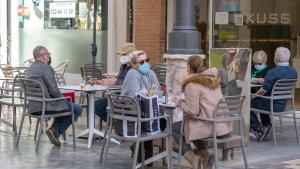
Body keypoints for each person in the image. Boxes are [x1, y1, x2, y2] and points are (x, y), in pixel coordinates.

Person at [172, 55, 233, 169]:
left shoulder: (192, 84)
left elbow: (192, 111)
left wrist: (179, 102)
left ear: (188, 66)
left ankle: (194, 159)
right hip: (222, 125)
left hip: (209, 125)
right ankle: (206, 156)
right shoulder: (213, 80)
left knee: (175, 128)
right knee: (191, 125)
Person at [26, 46, 82, 146]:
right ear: (43, 56)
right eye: (48, 54)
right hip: (45, 106)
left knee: (63, 105)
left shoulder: (30, 68)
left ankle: (54, 130)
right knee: (76, 108)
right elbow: (54, 90)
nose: (49, 56)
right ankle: (55, 130)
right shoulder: (46, 67)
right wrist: (64, 98)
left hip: (33, 106)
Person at [250, 47, 297, 141]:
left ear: (276, 58)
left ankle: (258, 128)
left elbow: (263, 90)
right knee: (260, 100)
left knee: (246, 103)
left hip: (271, 104)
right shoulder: (294, 72)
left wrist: (252, 97)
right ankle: (266, 125)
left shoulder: (272, 72)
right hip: (283, 104)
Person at [121, 50, 159, 165]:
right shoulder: (132, 73)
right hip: (132, 112)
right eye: (141, 62)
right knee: (155, 119)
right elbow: (135, 96)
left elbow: (159, 91)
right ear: (133, 65)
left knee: (157, 118)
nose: (145, 64)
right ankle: (143, 155)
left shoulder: (151, 73)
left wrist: (148, 93)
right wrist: (149, 93)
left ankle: (143, 155)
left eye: (147, 60)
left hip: (146, 111)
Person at [94, 43, 136, 121]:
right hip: (119, 95)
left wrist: (103, 82)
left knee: (97, 105)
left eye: (124, 54)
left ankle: (114, 123)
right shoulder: (124, 66)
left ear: (131, 55)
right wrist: (102, 81)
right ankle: (115, 123)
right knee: (97, 104)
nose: (122, 57)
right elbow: (118, 79)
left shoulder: (133, 68)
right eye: (121, 55)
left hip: (126, 98)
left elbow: (121, 82)